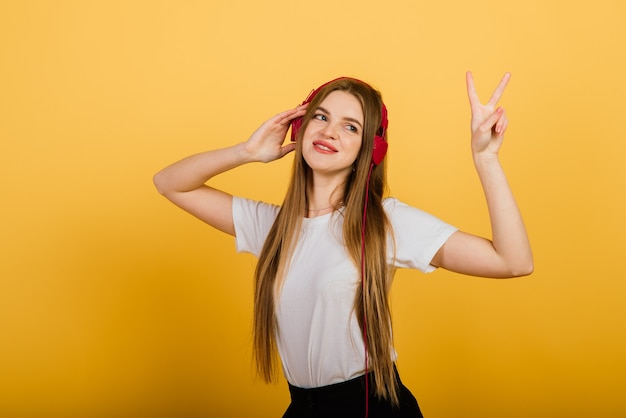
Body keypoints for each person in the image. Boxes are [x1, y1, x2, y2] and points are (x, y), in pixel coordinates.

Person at [153, 73, 533, 418]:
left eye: (350, 126)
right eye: (320, 117)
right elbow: (170, 182)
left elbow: (512, 261)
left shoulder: (386, 222)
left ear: (370, 149)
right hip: (303, 408)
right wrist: (247, 152)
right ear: (298, 127)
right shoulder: (272, 226)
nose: (330, 131)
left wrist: (486, 159)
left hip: (371, 408)